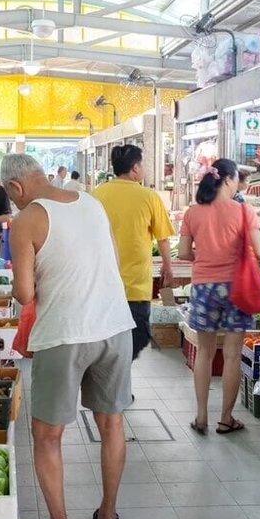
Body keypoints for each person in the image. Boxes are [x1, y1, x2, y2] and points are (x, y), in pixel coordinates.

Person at [2, 154, 134, 519]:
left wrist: (16, 286)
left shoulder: (26, 219)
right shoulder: (91, 202)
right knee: (112, 424)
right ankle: (108, 517)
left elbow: (25, 293)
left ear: (15, 188)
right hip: (114, 325)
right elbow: (110, 259)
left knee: (48, 435)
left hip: (65, 334)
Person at [178, 158, 260, 436]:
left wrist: (203, 256)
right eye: (237, 177)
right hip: (237, 287)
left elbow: (183, 253)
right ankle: (226, 418)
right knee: (232, 355)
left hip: (204, 285)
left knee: (203, 352)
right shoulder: (243, 211)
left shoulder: (193, 213)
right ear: (228, 179)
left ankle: (201, 415)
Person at [94, 145, 174, 361]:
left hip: (102, 284)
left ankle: (116, 382)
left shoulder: (97, 194)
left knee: (108, 340)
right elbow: (163, 238)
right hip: (136, 286)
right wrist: (168, 266)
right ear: (135, 167)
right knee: (137, 338)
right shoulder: (148, 196)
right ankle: (118, 382)